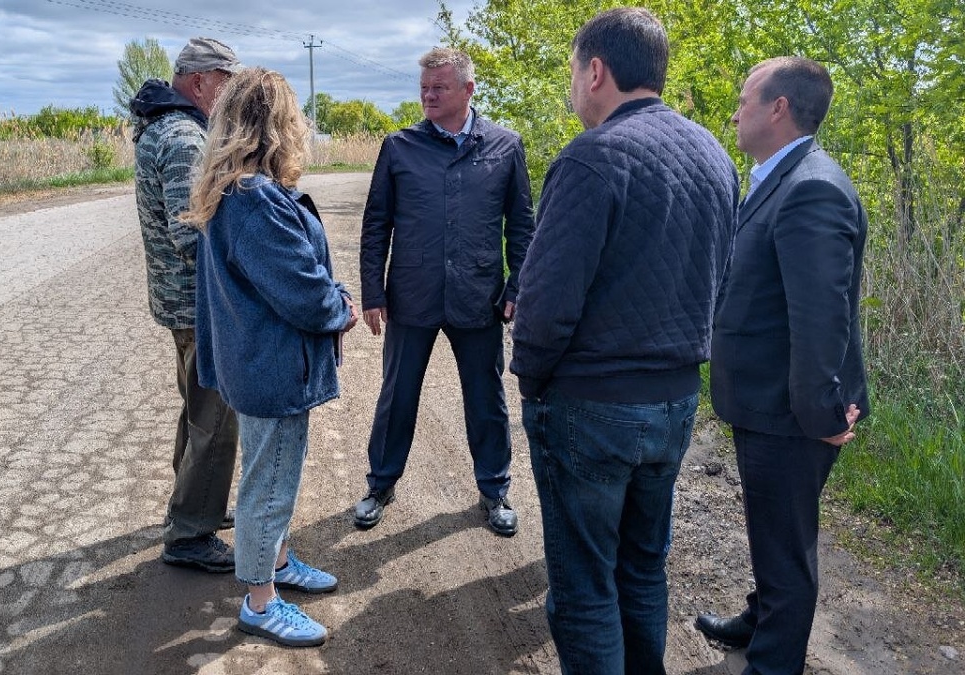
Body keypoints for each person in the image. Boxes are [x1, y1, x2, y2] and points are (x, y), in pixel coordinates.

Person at [510, 8, 738, 673]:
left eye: (573, 72)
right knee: (642, 570)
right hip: (672, 405)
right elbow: (719, 281)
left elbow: (545, 305)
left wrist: (533, 379)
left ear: (597, 70)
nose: (572, 87)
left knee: (583, 587)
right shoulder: (714, 155)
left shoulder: (592, 157)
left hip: (590, 406)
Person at [694, 56, 869, 675]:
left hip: (791, 411)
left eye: (745, 99)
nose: (735, 111)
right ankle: (758, 618)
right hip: (771, 401)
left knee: (786, 550)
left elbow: (821, 319)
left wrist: (820, 412)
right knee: (773, 533)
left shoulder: (811, 188)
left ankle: (773, 664)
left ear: (779, 108)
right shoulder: (779, 175)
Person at [185, 67, 359, 648]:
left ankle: (278, 561)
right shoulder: (254, 199)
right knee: (270, 483)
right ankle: (260, 600)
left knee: (271, 473)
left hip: (257, 362)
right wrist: (342, 306)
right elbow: (305, 293)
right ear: (279, 123)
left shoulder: (233, 188)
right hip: (272, 368)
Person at [355, 46, 535, 536]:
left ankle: (495, 488)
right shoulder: (399, 146)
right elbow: (377, 224)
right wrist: (373, 290)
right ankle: (380, 483)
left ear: (469, 90)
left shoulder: (505, 145)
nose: (428, 95)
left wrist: (518, 284)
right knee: (398, 394)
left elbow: (521, 226)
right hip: (411, 295)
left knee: (486, 397)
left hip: (478, 297)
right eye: (424, 88)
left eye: (439, 87)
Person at [130, 37, 242, 573]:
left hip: (183, 304)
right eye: (227, 81)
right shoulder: (182, 138)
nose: (231, 92)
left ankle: (193, 506)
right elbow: (190, 232)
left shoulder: (167, 127)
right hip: (199, 304)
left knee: (199, 410)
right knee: (217, 419)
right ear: (201, 82)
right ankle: (191, 533)